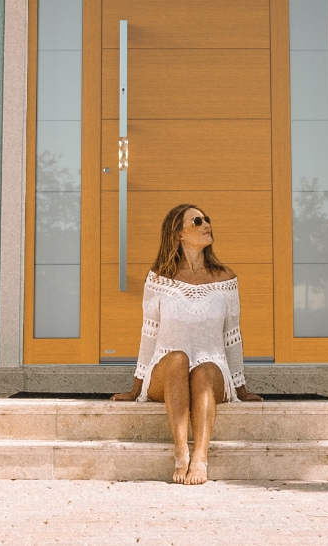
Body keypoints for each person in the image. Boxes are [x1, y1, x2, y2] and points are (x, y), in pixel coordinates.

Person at [111, 203, 262, 483]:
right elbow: (150, 333)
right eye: (197, 221)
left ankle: (200, 459)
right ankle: (181, 454)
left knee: (203, 369)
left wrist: (241, 387)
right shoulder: (159, 279)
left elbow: (232, 336)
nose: (206, 225)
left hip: (212, 370)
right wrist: (135, 389)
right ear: (178, 233)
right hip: (166, 370)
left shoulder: (225, 279)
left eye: (207, 219)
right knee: (178, 358)